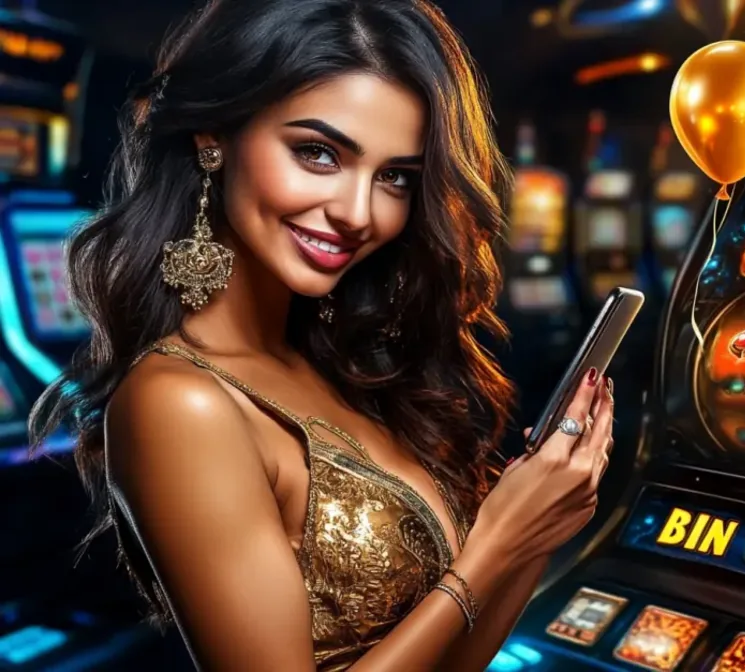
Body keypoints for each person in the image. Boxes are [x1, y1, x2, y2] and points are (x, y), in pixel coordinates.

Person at [29, 1, 616, 669]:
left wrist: (537, 526)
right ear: (214, 136)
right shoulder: (178, 401)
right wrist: (500, 543)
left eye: (395, 177)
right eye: (317, 153)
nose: (358, 213)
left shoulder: (343, 364)